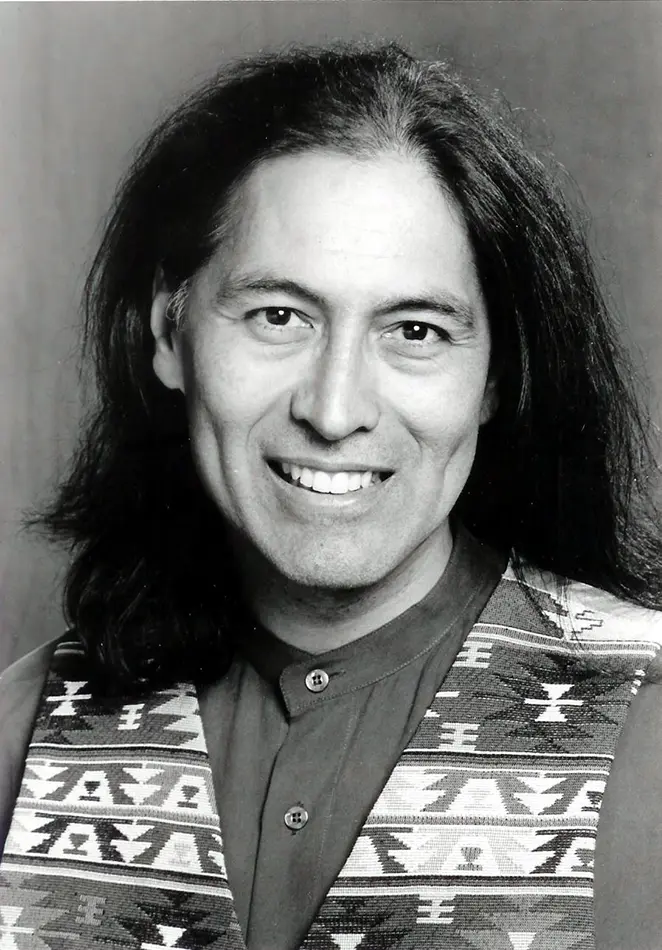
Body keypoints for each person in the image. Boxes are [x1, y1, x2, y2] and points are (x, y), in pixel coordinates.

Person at [0, 42, 661, 950]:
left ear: (498, 377)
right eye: (279, 316)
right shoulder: (22, 733)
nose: (335, 409)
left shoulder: (651, 720)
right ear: (168, 331)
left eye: (416, 330)